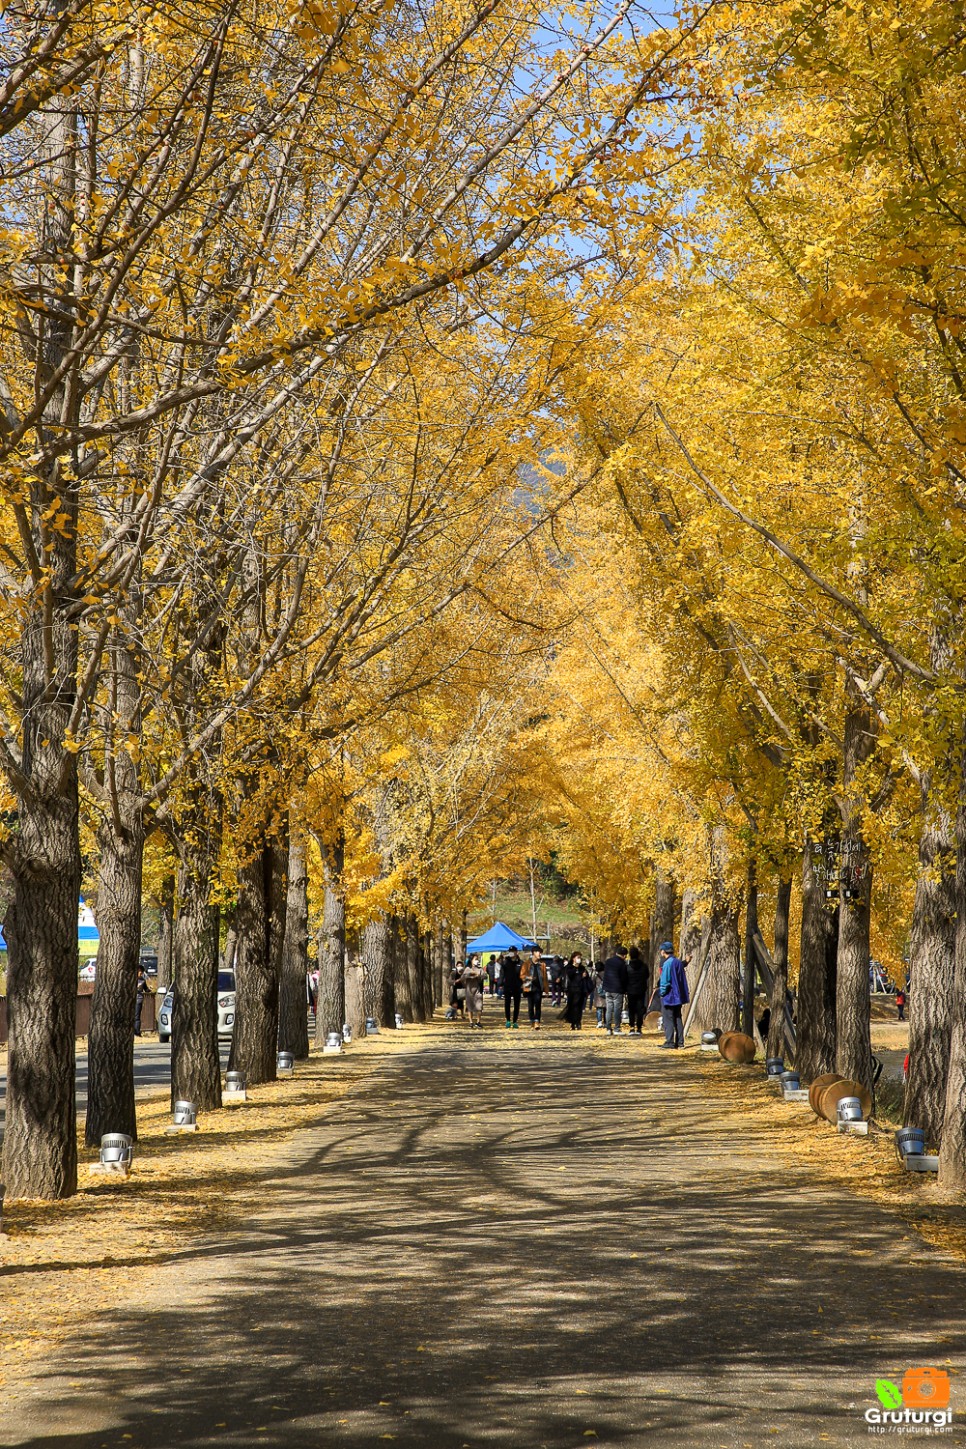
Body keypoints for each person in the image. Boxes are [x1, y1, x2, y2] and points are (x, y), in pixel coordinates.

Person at [658, 941, 689, 1049]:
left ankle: (669, 1042)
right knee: (678, 1018)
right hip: (678, 996)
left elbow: (665, 981)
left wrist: (662, 993)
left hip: (669, 996)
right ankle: (680, 1042)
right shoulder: (677, 962)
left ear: (663, 951)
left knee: (668, 1019)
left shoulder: (667, 963)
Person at [601, 946, 629, 1035]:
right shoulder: (622, 964)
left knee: (609, 1009)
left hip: (608, 989)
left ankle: (608, 1028)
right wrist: (625, 989)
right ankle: (617, 1028)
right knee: (617, 1010)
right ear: (624, 955)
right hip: (617, 989)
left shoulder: (608, 962)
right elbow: (624, 978)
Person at [522, 947, 549, 1029]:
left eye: (541, 953)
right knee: (530, 1006)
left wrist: (546, 989)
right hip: (529, 988)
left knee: (538, 1005)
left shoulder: (542, 965)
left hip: (538, 988)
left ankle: (537, 1021)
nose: (540, 954)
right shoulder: (527, 964)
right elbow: (522, 975)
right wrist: (528, 977)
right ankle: (532, 1021)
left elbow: (545, 978)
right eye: (538, 952)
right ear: (533, 953)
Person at [625, 945, 649, 1036]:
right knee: (640, 1008)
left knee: (631, 1009)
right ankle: (639, 1027)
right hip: (641, 989)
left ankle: (631, 1027)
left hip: (630, 990)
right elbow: (647, 976)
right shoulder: (644, 966)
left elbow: (625, 978)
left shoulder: (628, 967)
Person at [564, 952, 588, 1030]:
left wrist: (584, 976)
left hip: (580, 990)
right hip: (572, 990)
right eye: (578, 957)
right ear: (573, 958)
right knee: (573, 1006)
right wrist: (575, 968)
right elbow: (569, 975)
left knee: (579, 1007)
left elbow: (586, 977)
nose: (579, 959)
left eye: (580, 958)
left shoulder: (582, 968)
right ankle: (573, 1023)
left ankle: (578, 1022)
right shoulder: (569, 967)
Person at [462, 954, 485, 1028]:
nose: (476, 961)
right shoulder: (467, 969)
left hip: (478, 990)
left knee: (479, 1006)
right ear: (471, 960)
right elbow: (463, 977)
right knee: (470, 1006)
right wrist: (472, 974)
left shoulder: (480, 969)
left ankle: (478, 1021)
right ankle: (471, 1022)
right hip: (469, 991)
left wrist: (479, 975)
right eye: (475, 959)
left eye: (477, 959)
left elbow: (485, 976)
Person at [502, 948, 523, 1028]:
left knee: (516, 1004)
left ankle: (515, 1021)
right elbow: (502, 973)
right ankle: (508, 1020)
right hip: (507, 986)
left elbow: (523, 974)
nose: (512, 953)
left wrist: (523, 984)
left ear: (516, 952)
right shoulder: (506, 962)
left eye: (513, 951)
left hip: (517, 986)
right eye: (510, 951)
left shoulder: (520, 963)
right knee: (507, 1003)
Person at [134, 965, 148, 1036]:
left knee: (137, 1017)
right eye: (139, 971)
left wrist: (149, 990)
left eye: (141, 972)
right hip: (131, 1000)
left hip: (138, 1000)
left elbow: (146, 989)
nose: (140, 973)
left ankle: (137, 1032)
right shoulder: (131, 979)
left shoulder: (142, 980)